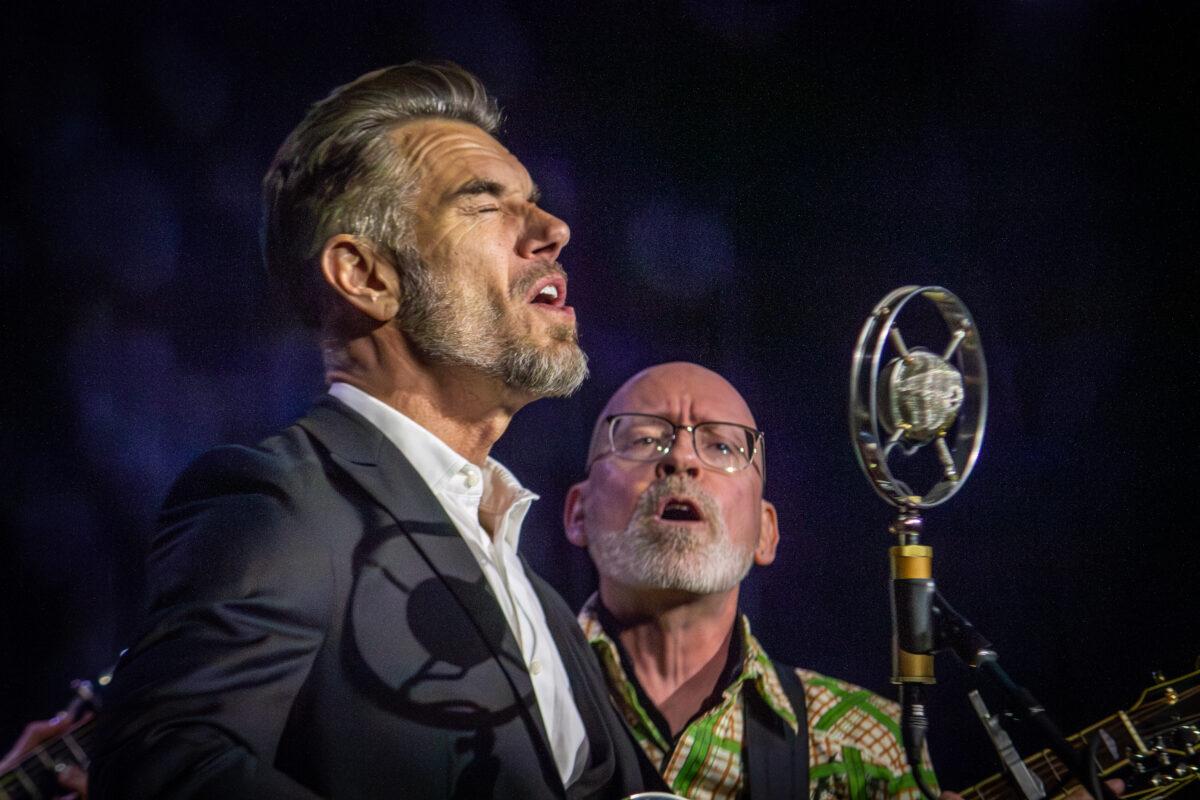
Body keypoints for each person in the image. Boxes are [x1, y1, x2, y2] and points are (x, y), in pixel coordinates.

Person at [90, 62, 652, 799]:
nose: (553, 231)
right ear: (366, 276)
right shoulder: (279, 503)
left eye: (535, 205)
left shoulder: (539, 599)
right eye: (486, 205)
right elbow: (164, 771)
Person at [563, 362, 943, 800]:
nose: (681, 459)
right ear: (578, 513)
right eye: (645, 439)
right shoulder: (515, 695)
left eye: (721, 447)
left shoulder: (864, 743)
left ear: (765, 532)